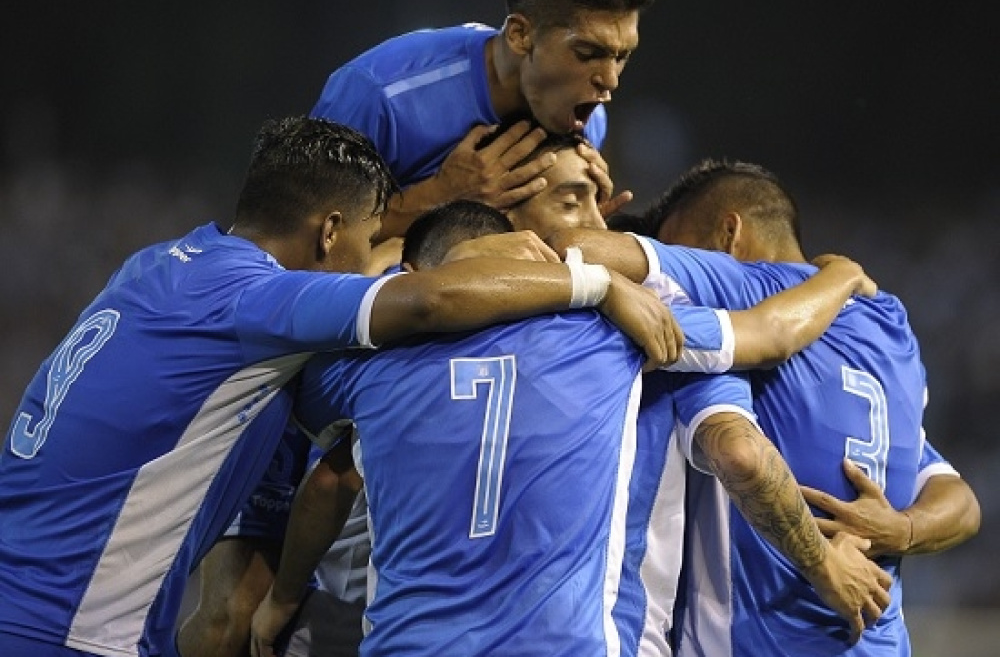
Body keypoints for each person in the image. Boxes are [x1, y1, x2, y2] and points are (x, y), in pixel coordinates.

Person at [0, 115, 688, 657]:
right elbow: (427, 300)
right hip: (70, 622)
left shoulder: (155, 266)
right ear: (331, 232)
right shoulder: (256, 300)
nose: (368, 260)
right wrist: (596, 284)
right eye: (369, 238)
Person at [248, 200, 890, 657]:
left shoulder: (365, 362)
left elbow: (325, 467)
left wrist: (279, 599)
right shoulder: (620, 327)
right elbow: (771, 335)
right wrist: (839, 274)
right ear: (531, 248)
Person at [548, 158, 981, 655]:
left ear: (729, 234)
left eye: (678, 246)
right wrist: (903, 529)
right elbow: (960, 502)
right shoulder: (889, 330)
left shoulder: (736, 283)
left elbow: (572, 251)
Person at [309, 0, 662, 240]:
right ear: (520, 35)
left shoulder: (588, 119)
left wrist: (581, 214)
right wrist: (440, 199)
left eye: (622, 56)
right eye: (587, 53)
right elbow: (307, 238)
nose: (610, 80)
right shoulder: (380, 94)